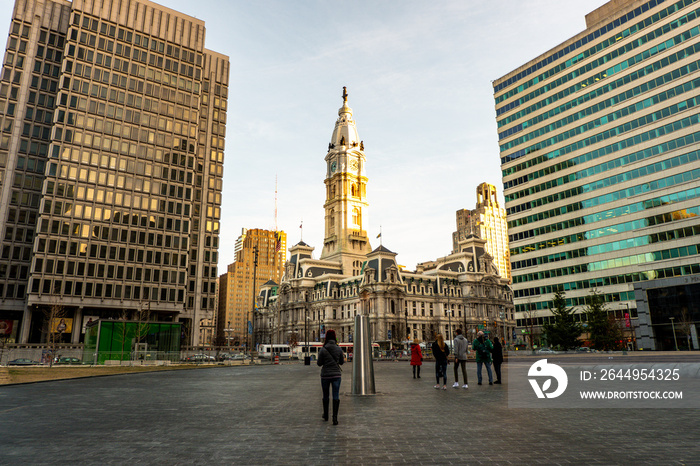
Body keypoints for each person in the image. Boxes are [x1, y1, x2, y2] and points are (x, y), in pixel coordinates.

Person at [317, 329, 344, 425]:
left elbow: (319, 363)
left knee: (325, 395)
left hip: (325, 375)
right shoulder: (338, 348)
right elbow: (341, 362)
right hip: (336, 375)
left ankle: (326, 415)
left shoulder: (323, 349)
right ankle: (335, 418)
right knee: (336, 395)